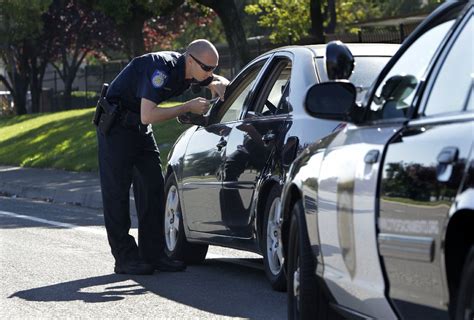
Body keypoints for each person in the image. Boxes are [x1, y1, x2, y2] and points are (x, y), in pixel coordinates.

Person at [96, 39, 229, 275]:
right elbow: (148, 115)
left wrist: (217, 83)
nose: (211, 73)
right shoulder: (160, 68)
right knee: (116, 195)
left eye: (214, 68)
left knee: (153, 188)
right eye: (207, 68)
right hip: (117, 128)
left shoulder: (191, 69)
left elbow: (216, 80)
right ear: (190, 59)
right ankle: (125, 258)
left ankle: (154, 255)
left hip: (139, 130)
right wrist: (187, 106)